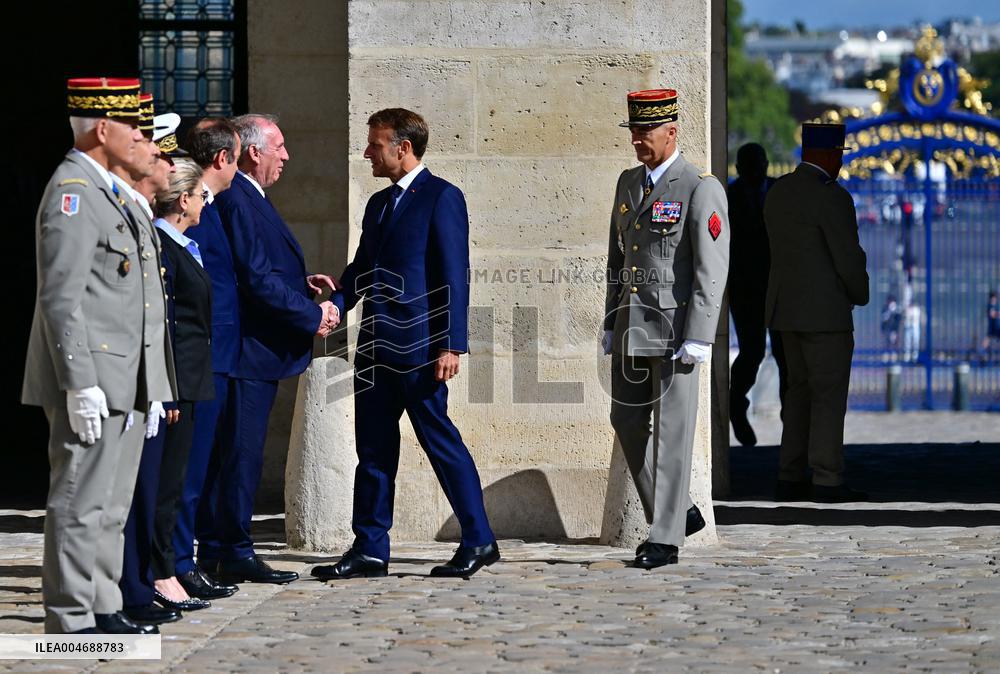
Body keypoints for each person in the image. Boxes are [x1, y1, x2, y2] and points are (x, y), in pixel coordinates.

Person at [311, 107, 499, 581]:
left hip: (421, 349)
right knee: (372, 451)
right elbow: (362, 267)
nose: (367, 153)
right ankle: (371, 547)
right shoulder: (377, 205)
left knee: (440, 443)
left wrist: (452, 345)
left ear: (403, 148)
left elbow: (454, 275)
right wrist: (336, 301)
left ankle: (479, 539)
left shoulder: (442, 198)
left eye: (374, 145)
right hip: (375, 348)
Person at [22, 77, 155, 634]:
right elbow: (62, 295)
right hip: (94, 378)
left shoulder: (110, 190)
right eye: (136, 127)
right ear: (105, 128)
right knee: (79, 502)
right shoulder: (73, 191)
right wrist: (79, 382)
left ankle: (103, 606)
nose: (144, 138)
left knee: (110, 505)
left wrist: (154, 383)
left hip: (125, 377)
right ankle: (72, 621)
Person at [602, 89, 728, 569]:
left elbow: (710, 269)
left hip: (676, 332)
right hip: (633, 327)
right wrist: (611, 319)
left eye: (645, 132)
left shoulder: (699, 186)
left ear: (671, 131)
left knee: (673, 432)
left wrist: (701, 334)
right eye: (633, 132)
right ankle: (678, 513)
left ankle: (665, 538)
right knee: (628, 423)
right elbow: (618, 258)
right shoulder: (628, 183)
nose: (637, 140)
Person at [209, 114, 337, 584]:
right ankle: (232, 550)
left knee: (238, 452)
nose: (286, 156)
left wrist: (300, 286)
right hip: (248, 351)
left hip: (255, 347)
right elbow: (254, 279)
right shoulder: (239, 198)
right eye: (279, 147)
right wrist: (312, 315)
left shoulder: (249, 196)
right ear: (252, 151)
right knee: (240, 454)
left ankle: (222, 545)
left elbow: (260, 268)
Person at [117, 105, 194, 628]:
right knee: (113, 502)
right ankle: (103, 605)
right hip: (115, 380)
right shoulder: (95, 202)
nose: (163, 163)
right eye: (154, 149)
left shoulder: (136, 211)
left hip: (146, 381)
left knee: (141, 495)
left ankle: (133, 589)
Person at [764, 122, 869, 503]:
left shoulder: (778, 193)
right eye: (838, 153)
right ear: (829, 154)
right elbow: (847, 257)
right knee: (827, 396)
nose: (840, 161)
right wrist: (860, 292)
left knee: (797, 394)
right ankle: (826, 476)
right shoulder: (832, 198)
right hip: (825, 315)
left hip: (785, 312)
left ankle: (789, 473)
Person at [172, 118, 243, 601]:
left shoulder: (213, 206)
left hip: (213, 356)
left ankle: (182, 561)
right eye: (237, 159)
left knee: (198, 470)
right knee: (186, 473)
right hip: (200, 357)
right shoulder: (195, 208)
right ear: (222, 159)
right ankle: (176, 564)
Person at [727, 142, 786, 446]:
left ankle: (793, 420)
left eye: (759, 164)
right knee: (752, 352)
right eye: (749, 165)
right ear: (739, 169)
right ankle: (736, 404)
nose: (756, 170)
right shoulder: (728, 197)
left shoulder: (782, 192)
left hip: (780, 288)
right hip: (746, 290)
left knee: (785, 353)